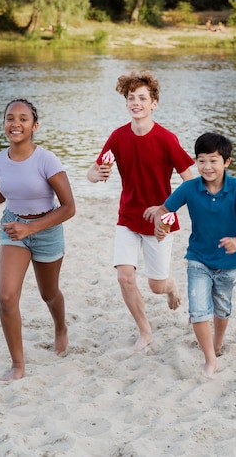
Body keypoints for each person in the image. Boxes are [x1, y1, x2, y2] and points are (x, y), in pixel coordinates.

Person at [0, 99, 75, 381]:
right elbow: (3, 191)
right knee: (6, 296)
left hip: (46, 230)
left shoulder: (46, 160)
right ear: (4, 124)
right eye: (10, 118)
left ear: (34, 126)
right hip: (12, 227)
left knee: (49, 293)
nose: (15, 124)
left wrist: (31, 229)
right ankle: (18, 364)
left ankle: (60, 327)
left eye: (23, 119)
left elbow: (69, 207)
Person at [87, 71, 195, 352]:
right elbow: (91, 172)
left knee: (156, 286)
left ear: (154, 103)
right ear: (126, 103)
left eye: (142, 98)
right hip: (128, 217)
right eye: (131, 98)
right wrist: (97, 173)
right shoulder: (118, 136)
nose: (136, 103)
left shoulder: (166, 138)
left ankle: (171, 287)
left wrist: (166, 208)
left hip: (161, 221)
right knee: (124, 276)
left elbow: (191, 181)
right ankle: (145, 332)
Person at [153, 132, 236, 377]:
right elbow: (164, 210)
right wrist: (162, 227)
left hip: (229, 263)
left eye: (213, 160)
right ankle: (210, 359)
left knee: (222, 308)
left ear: (226, 162)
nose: (207, 166)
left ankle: (218, 342)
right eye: (201, 160)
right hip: (198, 258)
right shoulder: (189, 188)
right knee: (198, 310)